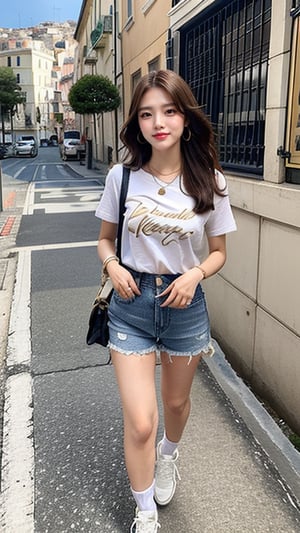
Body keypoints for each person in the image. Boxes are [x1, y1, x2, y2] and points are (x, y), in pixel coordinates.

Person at [95, 69, 236, 532]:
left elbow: (218, 254)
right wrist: (113, 267)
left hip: (184, 305)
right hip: (131, 304)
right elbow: (105, 241)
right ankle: (145, 512)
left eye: (169, 111)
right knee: (140, 421)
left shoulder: (209, 181)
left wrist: (195, 273)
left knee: (175, 406)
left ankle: (168, 457)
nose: (159, 122)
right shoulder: (122, 177)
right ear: (137, 123)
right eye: (147, 113)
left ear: (185, 119)